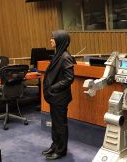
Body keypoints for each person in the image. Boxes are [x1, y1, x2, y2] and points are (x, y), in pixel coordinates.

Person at [42, 30, 75, 160]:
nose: (50, 40)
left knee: (60, 125)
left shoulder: (65, 57)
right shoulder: (58, 54)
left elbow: (69, 78)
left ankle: (61, 150)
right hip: (55, 97)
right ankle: (55, 145)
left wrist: (53, 87)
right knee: (55, 124)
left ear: (60, 40)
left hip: (60, 97)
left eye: (53, 38)